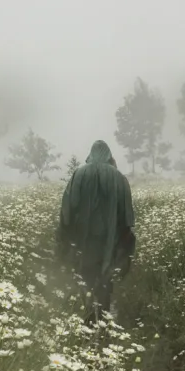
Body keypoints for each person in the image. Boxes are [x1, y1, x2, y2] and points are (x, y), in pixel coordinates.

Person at [56, 140, 136, 326]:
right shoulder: (119, 178)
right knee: (105, 281)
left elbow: (67, 210)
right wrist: (123, 248)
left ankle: (87, 322)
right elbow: (127, 219)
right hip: (110, 241)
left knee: (85, 277)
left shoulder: (79, 173)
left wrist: (64, 238)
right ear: (109, 156)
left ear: (91, 155)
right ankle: (102, 322)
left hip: (84, 241)